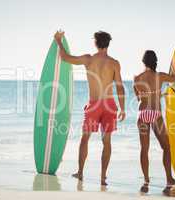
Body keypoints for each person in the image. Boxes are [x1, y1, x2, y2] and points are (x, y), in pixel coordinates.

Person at [54, 30, 126, 186]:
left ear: (95, 43)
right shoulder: (114, 63)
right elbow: (120, 87)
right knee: (107, 141)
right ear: (108, 44)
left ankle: (80, 173)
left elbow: (65, 57)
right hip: (109, 105)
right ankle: (103, 177)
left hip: (94, 105)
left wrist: (58, 41)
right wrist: (123, 108)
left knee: (85, 138)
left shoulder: (89, 60)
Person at [133, 50, 175, 194]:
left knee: (144, 149)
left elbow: (139, 97)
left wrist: (155, 94)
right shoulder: (159, 76)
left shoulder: (136, 78)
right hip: (155, 114)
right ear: (155, 61)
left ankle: (146, 180)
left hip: (142, 114)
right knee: (166, 147)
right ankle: (168, 178)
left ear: (143, 62)